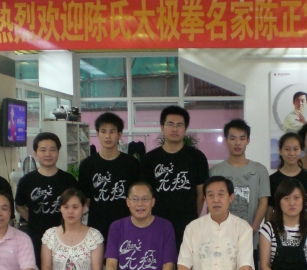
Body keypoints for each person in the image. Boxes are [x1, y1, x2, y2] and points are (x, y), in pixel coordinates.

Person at [140, 106, 209, 253]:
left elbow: (201, 194)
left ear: (185, 129)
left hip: (188, 225)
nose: (175, 129)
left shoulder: (197, 157)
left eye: (179, 125)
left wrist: (193, 219)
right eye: (170, 124)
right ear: (162, 127)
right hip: (157, 224)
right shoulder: (150, 159)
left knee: (185, 267)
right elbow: (145, 195)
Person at [15, 132, 78, 265]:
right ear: (36, 153)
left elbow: (78, 205)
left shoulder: (68, 180)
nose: (48, 154)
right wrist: (32, 218)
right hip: (36, 236)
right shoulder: (26, 181)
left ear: (58, 152)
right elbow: (19, 205)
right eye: (43, 150)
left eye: (52, 150)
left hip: (65, 235)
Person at [210, 119, 270, 250]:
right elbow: (211, 203)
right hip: (222, 239)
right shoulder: (216, 171)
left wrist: (253, 229)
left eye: (242, 138)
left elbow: (263, 202)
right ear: (226, 140)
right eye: (232, 138)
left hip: (250, 239)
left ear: (248, 140)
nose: (237, 143)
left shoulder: (259, 170)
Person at [78, 112, 139, 241]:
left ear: (119, 134)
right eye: (103, 131)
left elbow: (136, 197)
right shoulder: (87, 165)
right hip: (97, 228)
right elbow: (86, 199)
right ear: (98, 134)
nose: (107, 136)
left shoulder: (131, 164)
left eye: (112, 131)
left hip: (126, 226)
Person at [266, 132, 307, 223]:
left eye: (295, 149)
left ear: (301, 150)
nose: (291, 153)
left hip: (305, 230)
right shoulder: (272, 180)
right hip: (279, 230)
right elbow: (269, 209)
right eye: (287, 149)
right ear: (280, 151)